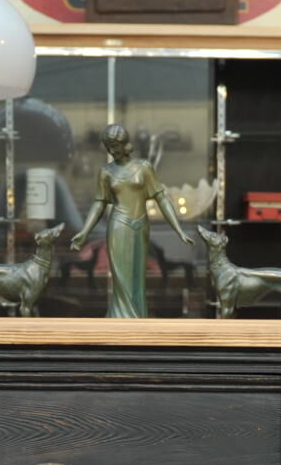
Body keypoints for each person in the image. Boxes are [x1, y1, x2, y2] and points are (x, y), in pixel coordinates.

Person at [68, 122, 193, 318]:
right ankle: (120, 320)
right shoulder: (107, 172)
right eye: (108, 147)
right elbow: (99, 203)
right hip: (119, 225)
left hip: (141, 225)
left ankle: (137, 319)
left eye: (114, 146)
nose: (111, 151)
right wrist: (84, 232)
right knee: (122, 279)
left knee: (137, 279)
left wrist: (178, 229)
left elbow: (161, 197)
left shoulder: (144, 168)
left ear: (124, 144)